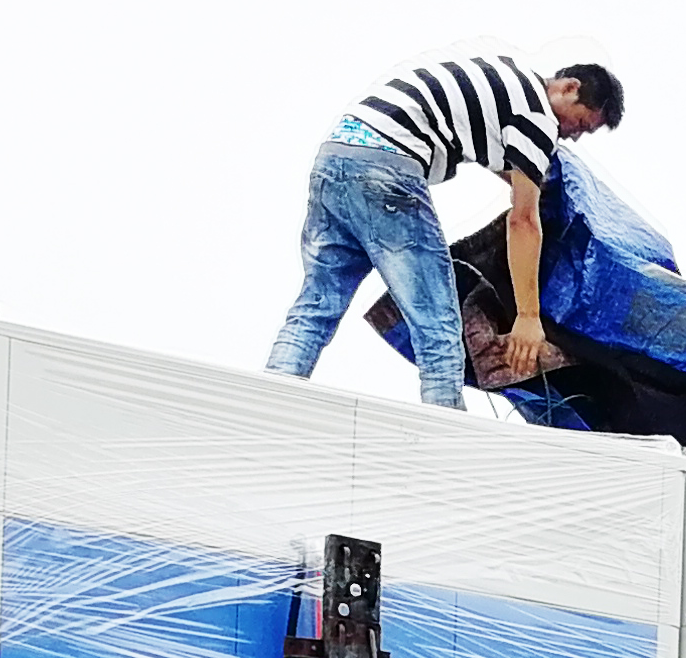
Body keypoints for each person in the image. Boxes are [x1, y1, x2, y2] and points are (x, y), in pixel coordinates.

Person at [265, 57, 625, 411]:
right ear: (568, 88)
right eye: (581, 124)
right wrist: (528, 318)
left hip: (335, 160)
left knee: (317, 307)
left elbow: (505, 167)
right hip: (387, 170)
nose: (573, 137)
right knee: (438, 324)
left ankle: (267, 406)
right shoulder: (537, 116)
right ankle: (446, 442)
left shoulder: (503, 81)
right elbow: (524, 221)